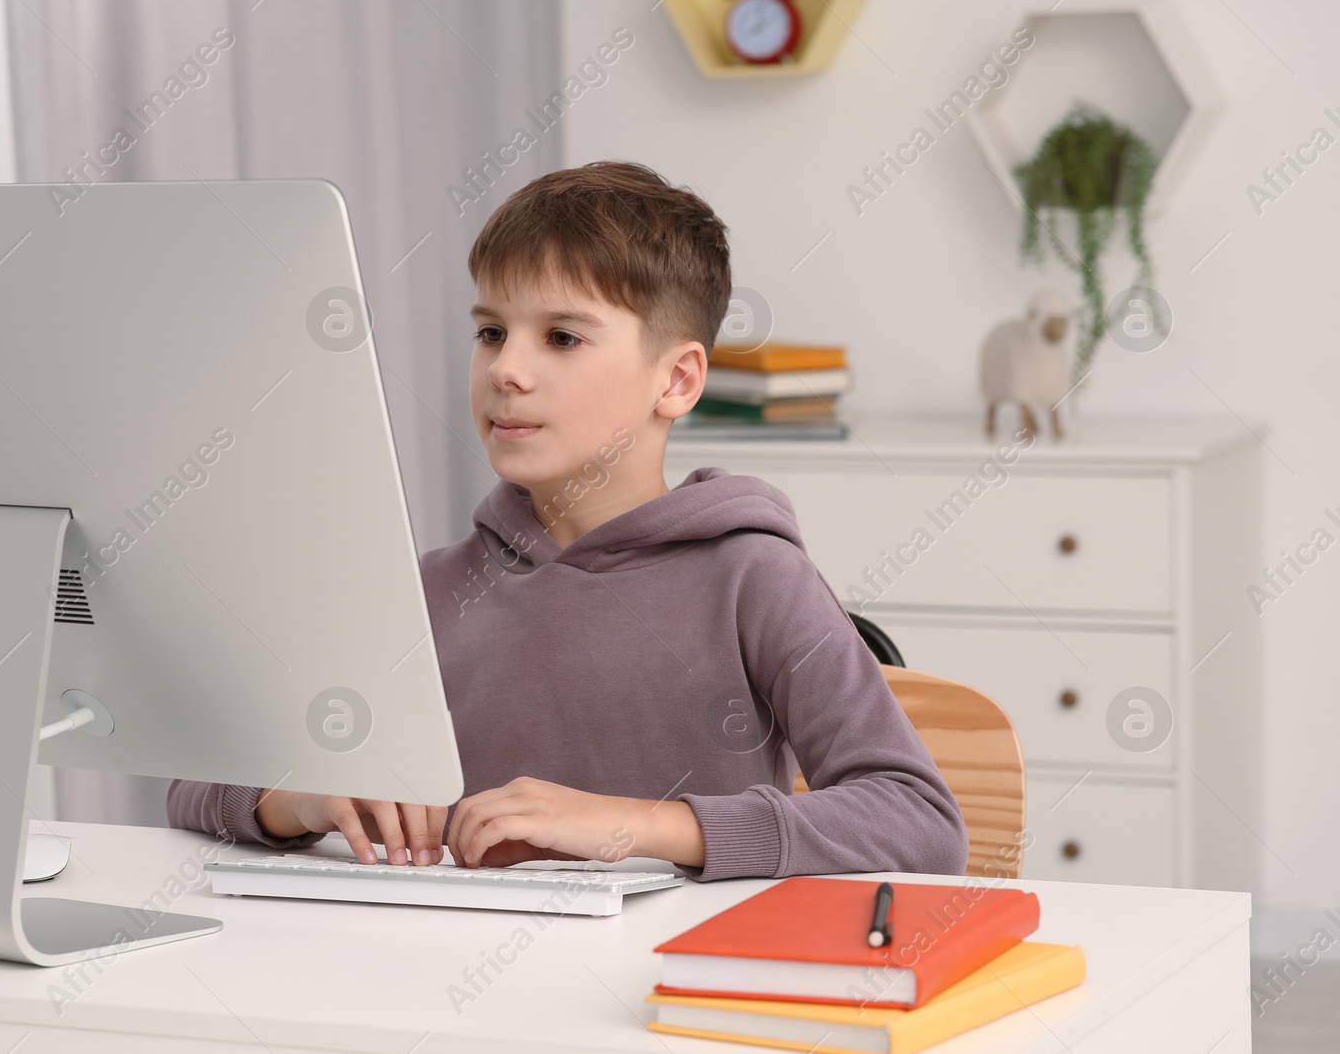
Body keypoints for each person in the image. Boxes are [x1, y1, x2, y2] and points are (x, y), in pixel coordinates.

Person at [168, 161, 969, 881]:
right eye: (490, 332)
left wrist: (638, 824)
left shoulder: (754, 578)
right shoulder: (428, 589)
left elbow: (920, 821)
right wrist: (299, 798)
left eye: (561, 336)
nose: (507, 370)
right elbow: (192, 786)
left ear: (678, 379)